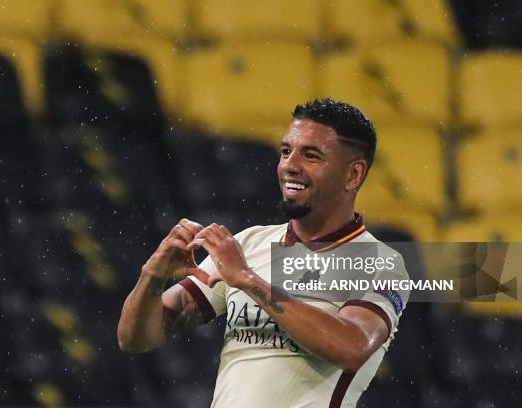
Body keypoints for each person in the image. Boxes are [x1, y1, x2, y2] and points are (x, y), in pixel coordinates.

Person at [117, 98, 409, 407]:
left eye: (311, 155)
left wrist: (246, 279)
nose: (289, 166)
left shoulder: (383, 263)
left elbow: (352, 347)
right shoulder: (249, 244)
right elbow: (135, 338)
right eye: (286, 151)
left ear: (353, 175)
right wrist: (152, 276)